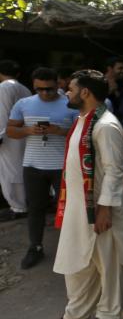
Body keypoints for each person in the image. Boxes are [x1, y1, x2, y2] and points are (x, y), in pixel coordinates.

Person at [41, 70, 123, 319]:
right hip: (76, 207)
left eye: (70, 88)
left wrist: (104, 208)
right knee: (77, 264)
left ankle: (107, 316)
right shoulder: (83, 120)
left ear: (85, 92)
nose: (66, 92)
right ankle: (77, 314)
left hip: (99, 209)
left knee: (106, 263)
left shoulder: (105, 125)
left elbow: (114, 171)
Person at [6, 67, 80, 268]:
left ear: (58, 84)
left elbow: (81, 133)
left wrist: (59, 131)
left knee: (66, 208)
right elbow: (11, 130)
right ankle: (35, 247)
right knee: (35, 208)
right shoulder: (24, 104)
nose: (45, 93)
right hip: (33, 164)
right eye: (40, 89)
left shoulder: (71, 103)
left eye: (49, 89)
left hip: (61, 166)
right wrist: (29, 130)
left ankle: (72, 248)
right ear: (34, 86)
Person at [0, 60, 31, 223]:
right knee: (18, 169)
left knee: (9, 171)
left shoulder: (4, 87)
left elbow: (2, 113)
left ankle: (18, 207)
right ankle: (20, 205)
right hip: (23, 134)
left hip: (8, 136)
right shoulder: (24, 88)